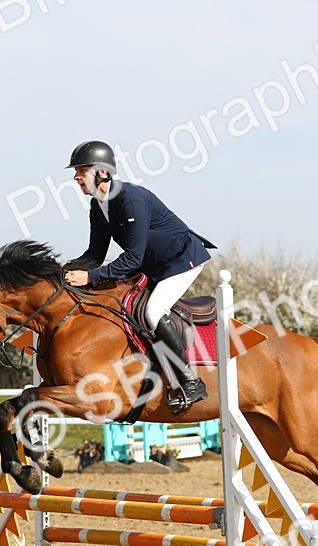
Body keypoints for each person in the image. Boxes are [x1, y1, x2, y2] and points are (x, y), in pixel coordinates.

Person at [61, 140, 216, 415]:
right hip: (153, 265)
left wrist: (91, 277)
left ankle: (191, 382)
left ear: (103, 173)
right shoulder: (98, 206)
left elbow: (131, 258)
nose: (76, 176)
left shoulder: (130, 199)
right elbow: (95, 254)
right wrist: (65, 267)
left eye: (81, 170)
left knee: (154, 311)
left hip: (181, 260)